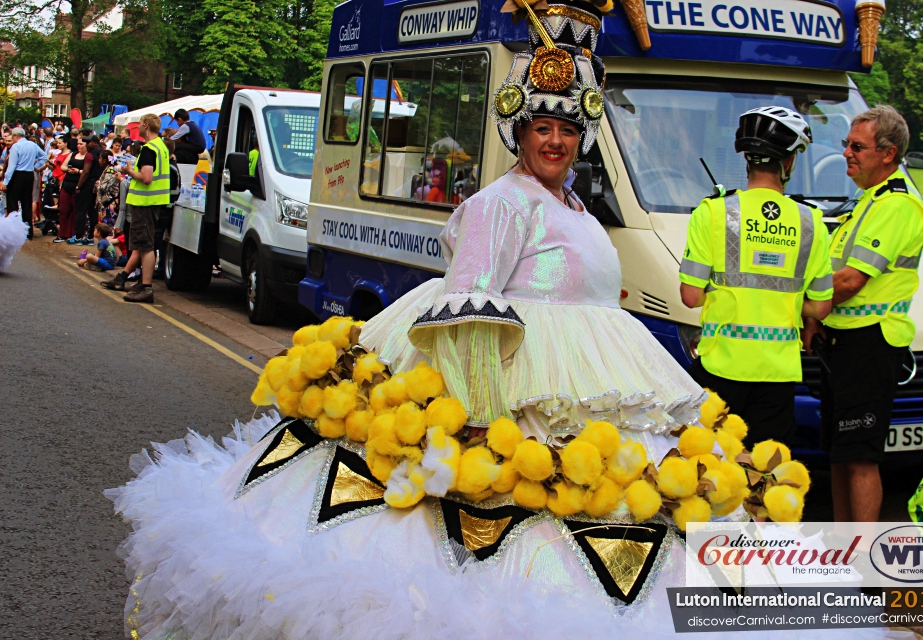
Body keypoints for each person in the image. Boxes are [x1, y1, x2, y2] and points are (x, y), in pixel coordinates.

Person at [105, 4, 809, 637]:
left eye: (568, 128)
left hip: (586, 392)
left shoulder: (574, 208)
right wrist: (478, 420)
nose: (556, 141)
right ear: (520, 132)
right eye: (542, 128)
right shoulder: (501, 203)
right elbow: (467, 305)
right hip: (508, 397)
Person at [679, 106, 834, 448]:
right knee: (766, 476)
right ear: (788, 162)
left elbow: (690, 296)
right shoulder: (812, 223)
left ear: (747, 159)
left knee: (708, 472)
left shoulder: (714, 212)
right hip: (777, 375)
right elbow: (821, 309)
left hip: (721, 367)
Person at [803, 105, 923, 522]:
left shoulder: (896, 205)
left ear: (888, 153)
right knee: (840, 454)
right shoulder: (868, 201)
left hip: (870, 343)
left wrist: (795, 306)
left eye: (857, 146)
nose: (846, 154)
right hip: (843, 343)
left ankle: (864, 563)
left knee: (859, 457)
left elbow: (850, 281)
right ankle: (844, 549)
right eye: (846, 144)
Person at [100, 114, 170, 303]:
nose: (137, 127)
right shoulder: (161, 146)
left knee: (146, 246)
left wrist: (129, 171)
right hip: (155, 202)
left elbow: (146, 177)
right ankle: (131, 280)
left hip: (145, 203)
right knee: (142, 243)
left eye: (139, 124)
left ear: (146, 125)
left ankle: (146, 287)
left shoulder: (148, 149)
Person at [0, 127, 44, 240]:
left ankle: (13, 232)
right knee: (26, 204)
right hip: (29, 175)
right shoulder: (33, 145)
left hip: (17, 175)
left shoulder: (16, 147)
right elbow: (43, 157)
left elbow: (11, 167)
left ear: (15, 136)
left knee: (12, 204)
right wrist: (36, 167)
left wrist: (5, 182)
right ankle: (28, 232)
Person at [54, 138, 82, 244]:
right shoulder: (72, 154)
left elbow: (88, 171)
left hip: (78, 186)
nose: (79, 145)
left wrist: (78, 171)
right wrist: (69, 170)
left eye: (81, 144)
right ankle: (62, 234)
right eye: (78, 144)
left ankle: (75, 234)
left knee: (76, 211)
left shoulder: (88, 156)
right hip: (67, 184)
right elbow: (63, 167)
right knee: (64, 210)